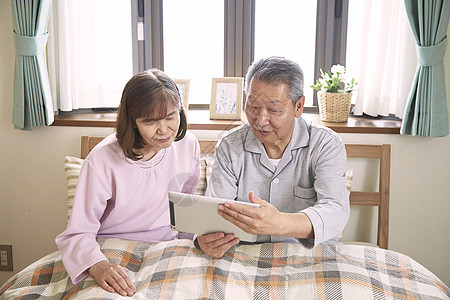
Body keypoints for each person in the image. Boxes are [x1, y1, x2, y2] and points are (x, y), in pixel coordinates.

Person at [55, 69, 200, 297]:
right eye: (150, 122)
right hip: (110, 248)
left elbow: (186, 210)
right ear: (133, 122)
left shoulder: (188, 145)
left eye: (171, 117)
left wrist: (186, 250)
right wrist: (99, 265)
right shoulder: (102, 159)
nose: (164, 130)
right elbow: (78, 232)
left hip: (166, 248)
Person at [197, 56, 350, 258]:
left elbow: (335, 210)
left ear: (299, 106)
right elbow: (215, 213)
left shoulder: (325, 144)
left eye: (274, 110)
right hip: (245, 257)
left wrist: (280, 223)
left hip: (308, 257)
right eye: (252, 106)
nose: (260, 120)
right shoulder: (229, 145)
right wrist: (205, 240)